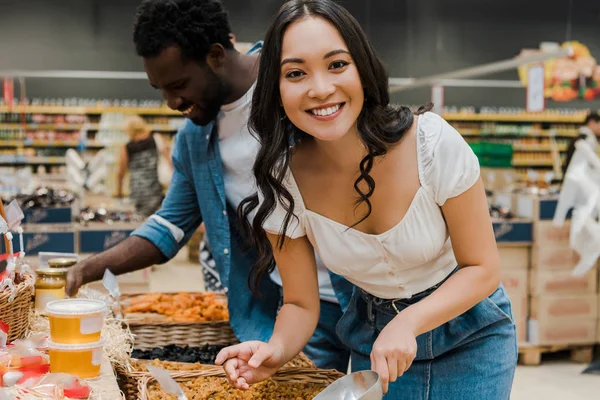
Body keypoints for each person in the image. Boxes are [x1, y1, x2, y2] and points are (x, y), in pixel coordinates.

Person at [215, 1, 517, 398]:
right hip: (377, 349)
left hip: (471, 333)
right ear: (276, 88)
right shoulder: (283, 183)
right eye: (296, 73)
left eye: (337, 64)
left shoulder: (431, 144)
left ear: (363, 68)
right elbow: (302, 305)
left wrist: (409, 322)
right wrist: (274, 350)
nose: (320, 88)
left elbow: (482, 267)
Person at [65, 0, 352, 373]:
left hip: (361, 295)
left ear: (216, 55)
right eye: (161, 90)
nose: (171, 102)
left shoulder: (292, 83)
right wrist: (85, 269)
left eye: (179, 85)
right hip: (290, 308)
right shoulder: (195, 139)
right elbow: (170, 225)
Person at [116, 115, 171, 217]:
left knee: (140, 219)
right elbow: (170, 162)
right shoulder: (156, 139)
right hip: (155, 188)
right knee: (158, 217)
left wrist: (119, 193)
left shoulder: (127, 147)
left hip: (137, 190)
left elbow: (120, 173)